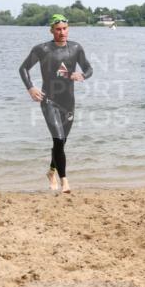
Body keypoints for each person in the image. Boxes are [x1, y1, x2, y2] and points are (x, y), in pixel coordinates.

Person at [18, 13, 93, 194]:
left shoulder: (76, 48)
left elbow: (89, 68)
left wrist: (82, 75)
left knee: (61, 143)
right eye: (58, 29)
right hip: (49, 101)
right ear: (51, 30)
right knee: (58, 139)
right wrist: (31, 88)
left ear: (68, 29)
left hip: (68, 103)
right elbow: (23, 68)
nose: (62, 32)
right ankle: (64, 181)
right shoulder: (42, 49)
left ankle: (51, 172)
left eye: (64, 29)